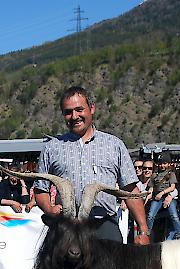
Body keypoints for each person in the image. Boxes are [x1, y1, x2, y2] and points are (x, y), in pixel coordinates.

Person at [33, 86, 149, 244]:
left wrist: (143, 230)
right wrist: (49, 209)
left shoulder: (114, 145)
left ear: (91, 108)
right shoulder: (52, 147)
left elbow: (129, 189)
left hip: (104, 224)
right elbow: (40, 189)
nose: (74, 116)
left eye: (79, 109)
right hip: (66, 228)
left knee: (111, 268)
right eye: (68, 112)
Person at [146, 153, 180, 241]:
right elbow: (151, 188)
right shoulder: (154, 175)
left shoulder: (171, 174)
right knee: (150, 215)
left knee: (174, 215)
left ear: (168, 164)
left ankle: (179, 233)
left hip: (168, 196)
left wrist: (162, 193)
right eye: (160, 163)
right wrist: (146, 199)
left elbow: (172, 187)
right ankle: (147, 232)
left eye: (164, 163)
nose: (162, 165)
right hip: (157, 197)